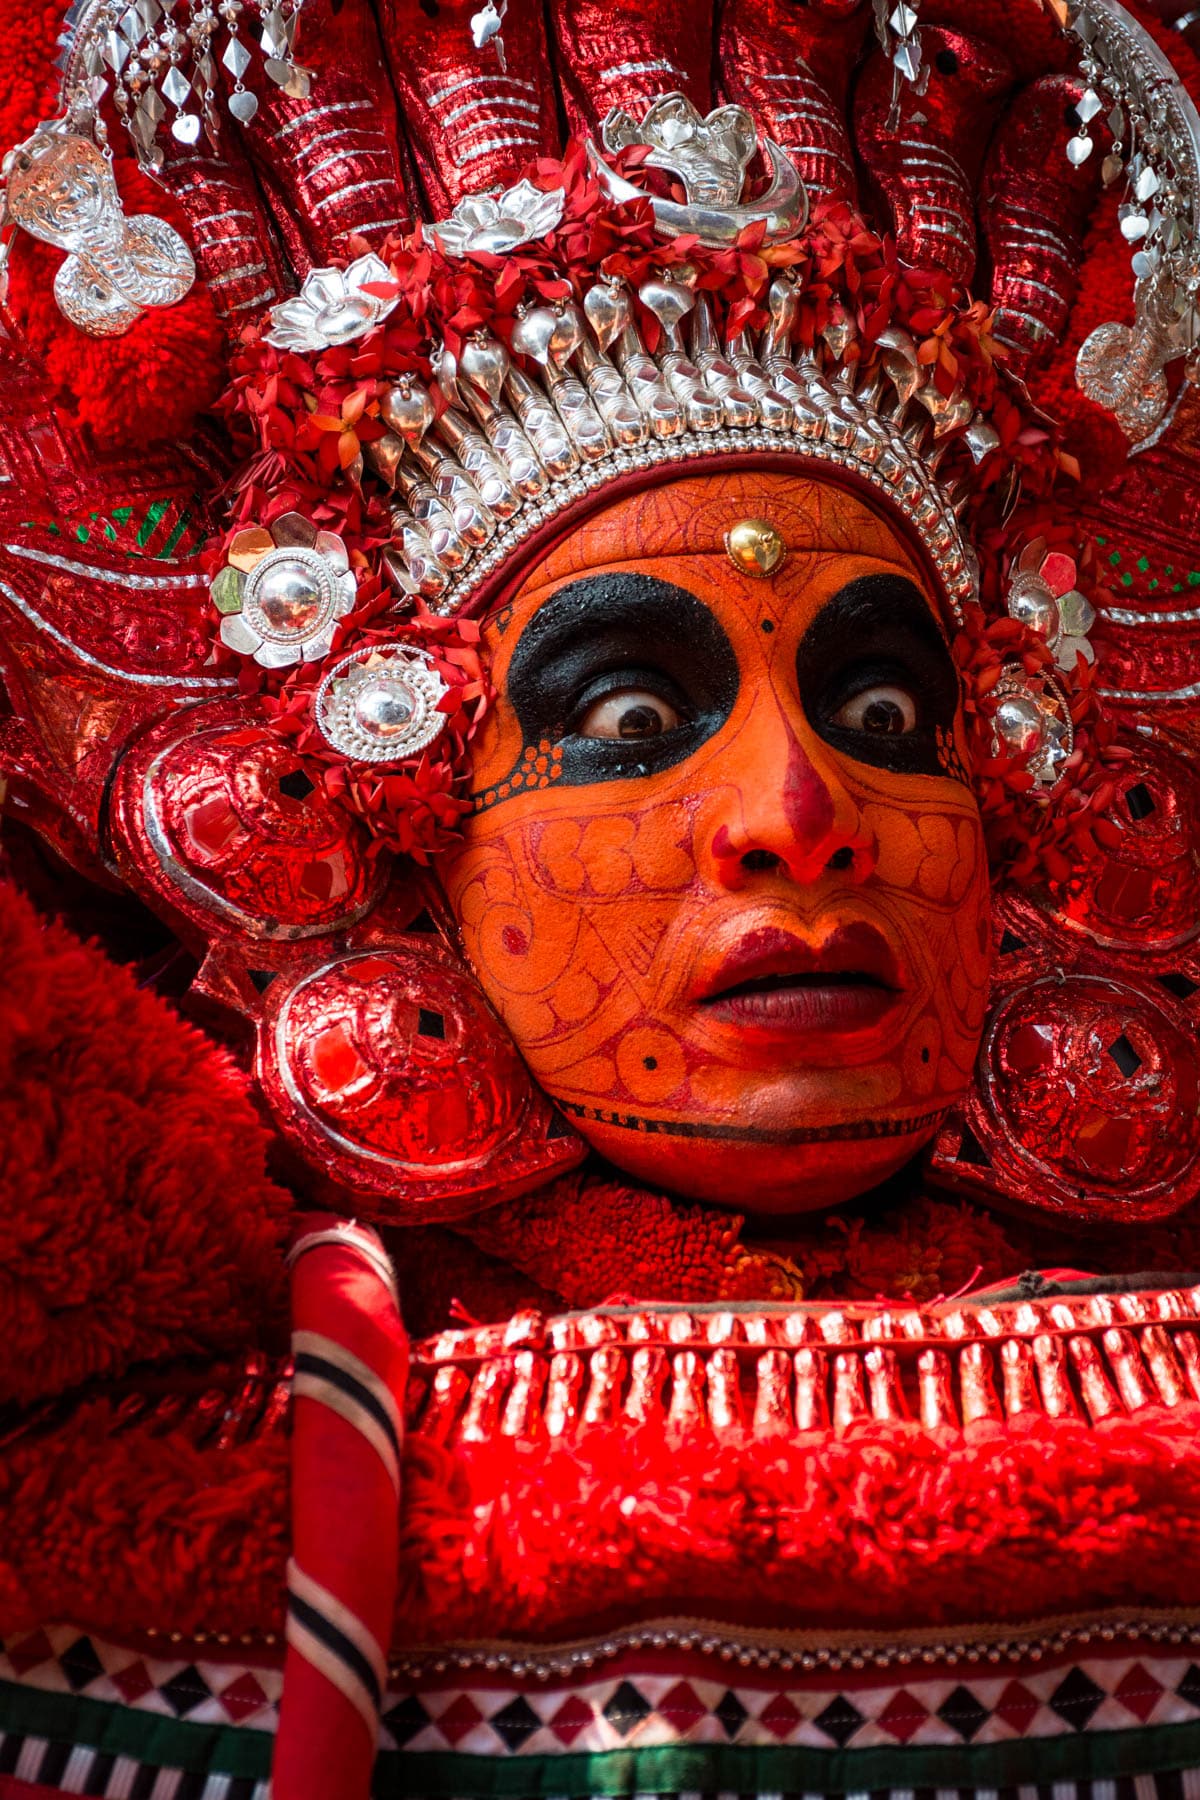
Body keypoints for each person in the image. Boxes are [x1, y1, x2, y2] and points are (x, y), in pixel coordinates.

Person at [3, 0, 1200, 1793]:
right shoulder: (150, 1469)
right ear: (396, 821)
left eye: (892, 711)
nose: (799, 819)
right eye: (629, 716)